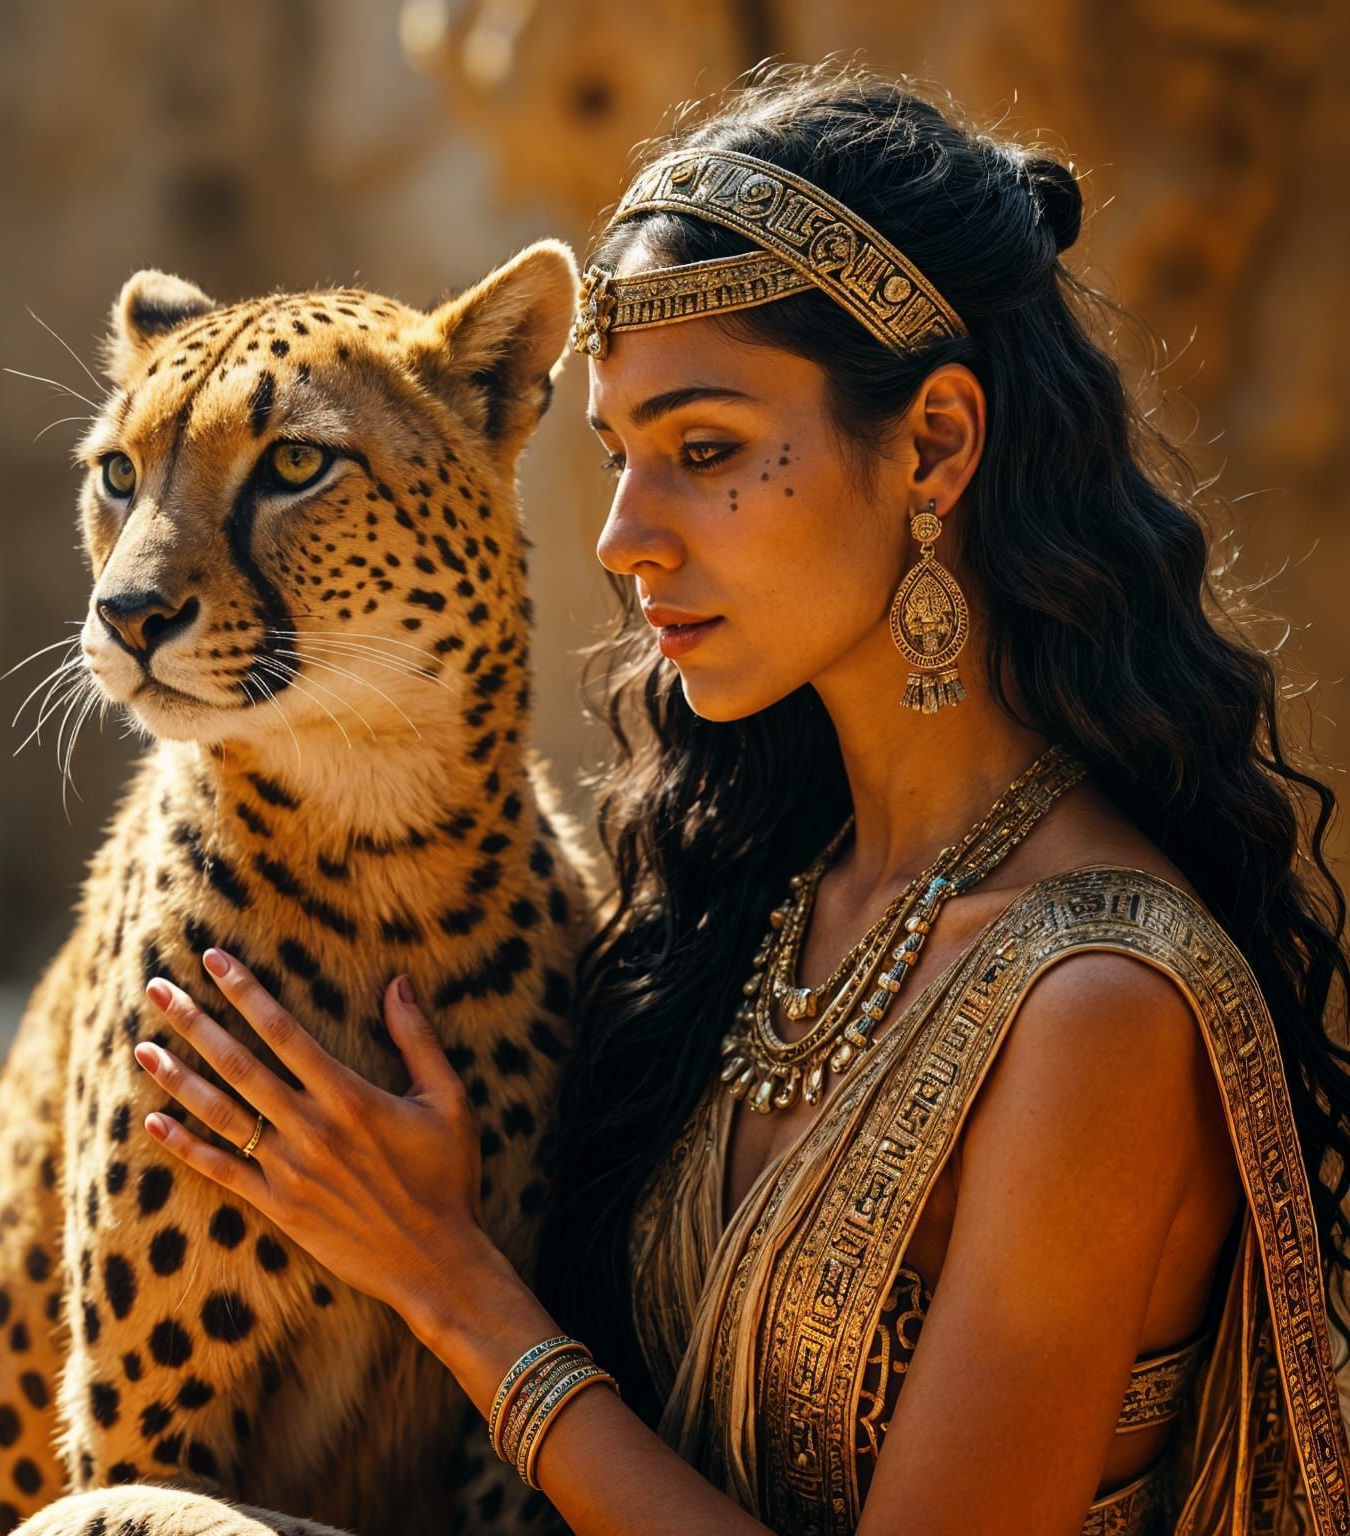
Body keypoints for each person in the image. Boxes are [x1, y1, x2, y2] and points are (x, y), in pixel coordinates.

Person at [133, 59, 1350, 1535]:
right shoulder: (757, 897)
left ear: (937, 445)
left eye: (704, 452)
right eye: (617, 459)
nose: (629, 537)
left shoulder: (1101, 1007)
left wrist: (451, 1284)